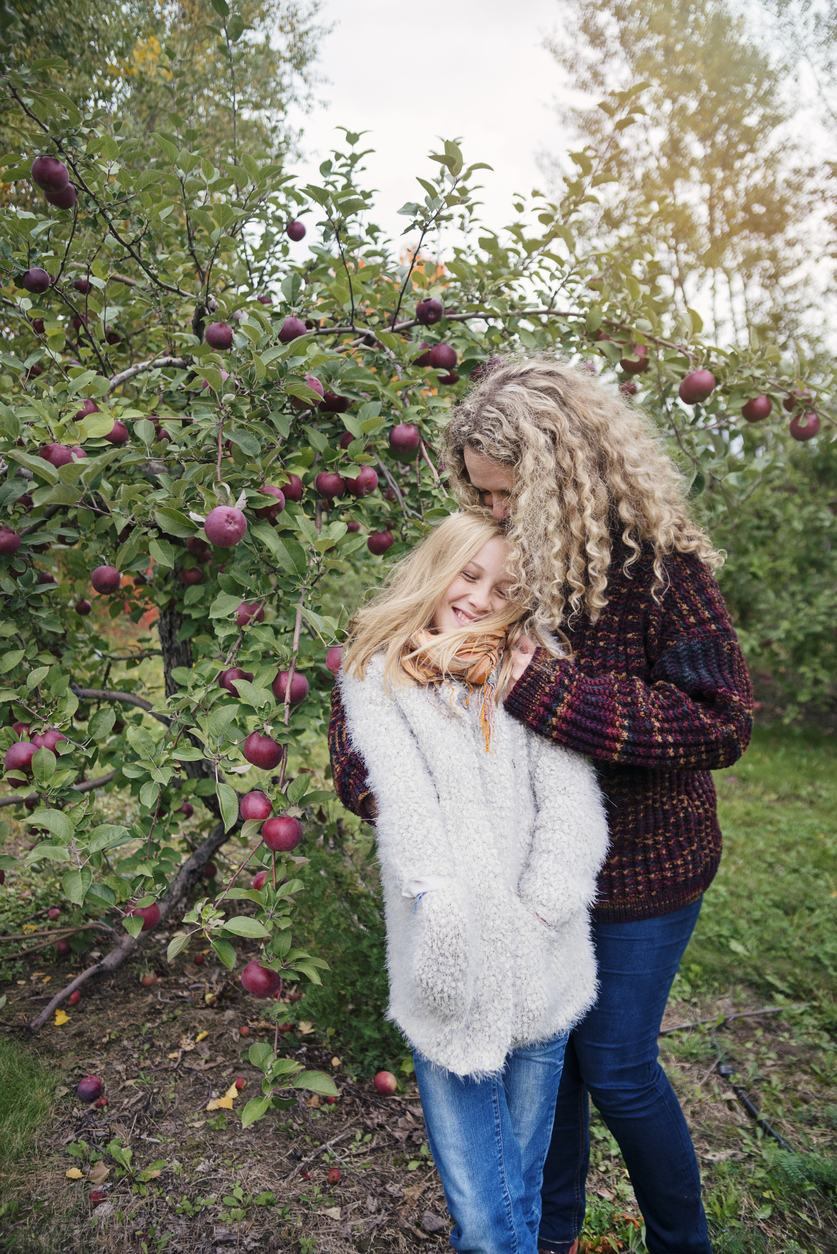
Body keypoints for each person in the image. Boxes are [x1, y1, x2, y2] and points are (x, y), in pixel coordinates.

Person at [330, 356, 754, 1254]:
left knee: (615, 1064)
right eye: (477, 494)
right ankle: (546, 1233)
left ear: (562, 474)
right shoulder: (494, 565)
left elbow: (717, 724)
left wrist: (545, 691)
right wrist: (377, 769)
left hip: (642, 868)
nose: (489, 512)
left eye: (503, 493)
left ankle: (682, 1241)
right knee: (545, 1060)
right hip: (508, 871)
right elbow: (395, 675)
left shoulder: (658, 570)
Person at [338, 509, 609, 1254]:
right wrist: (444, 912)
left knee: (518, 1188)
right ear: (437, 568)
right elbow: (406, 805)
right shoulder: (379, 675)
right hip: (446, 965)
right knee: (488, 1221)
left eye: (504, 587)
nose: (481, 597)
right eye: (468, 574)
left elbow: (571, 804)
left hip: (541, 956)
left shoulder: (532, 671)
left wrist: (544, 908)